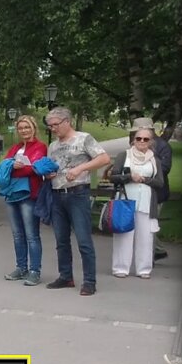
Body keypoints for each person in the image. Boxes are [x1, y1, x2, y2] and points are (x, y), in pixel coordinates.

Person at [44, 107, 111, 296]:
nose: (53, 129)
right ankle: (66, 276)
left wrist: (81, 168)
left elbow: (104, 158)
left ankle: (89, 281)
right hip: (57, 193)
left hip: (78, 194)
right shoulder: (53, 146)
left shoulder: (84, 138)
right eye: (50, 126)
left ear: (67, 121)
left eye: (56, 125)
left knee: (83, 239)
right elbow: (54, 167)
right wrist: (49, 174)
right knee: (61, 240)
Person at [108, 127, 164, 279]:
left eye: (145, 139)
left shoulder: (155, 159)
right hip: (126, 199)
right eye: (139, 138)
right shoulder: (124, 155)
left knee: (145, 237)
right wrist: (129, 177)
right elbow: (113, 177)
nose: (141, 142)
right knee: (124, 234)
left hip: (146, 202)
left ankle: (144, 269)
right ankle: (120, 267)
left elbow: (160, 182)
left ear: (150, 142)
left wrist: (145, 179)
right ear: (134, 140)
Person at [0, 117, 48, 286]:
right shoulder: (15, 148)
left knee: (31, 235)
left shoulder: (40, 146)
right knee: (17, 235)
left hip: (29, 195)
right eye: (21, 128)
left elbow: (33, 168)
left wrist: (13, 168)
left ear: (33, 128)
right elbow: (3, 167)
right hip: (12, 195)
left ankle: (35, 270)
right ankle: (21, 267)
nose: (24, 130)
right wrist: (12, 167)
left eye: (27, 127)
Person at [128, 117, 173, 261]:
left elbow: (165, 168)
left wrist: (144, 170)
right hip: (136, 191)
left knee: (149, 226)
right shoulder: (135, 143)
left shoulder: (163, 146)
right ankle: (156, 251)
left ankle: (150, 256)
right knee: (141, 225)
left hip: (156, 193)